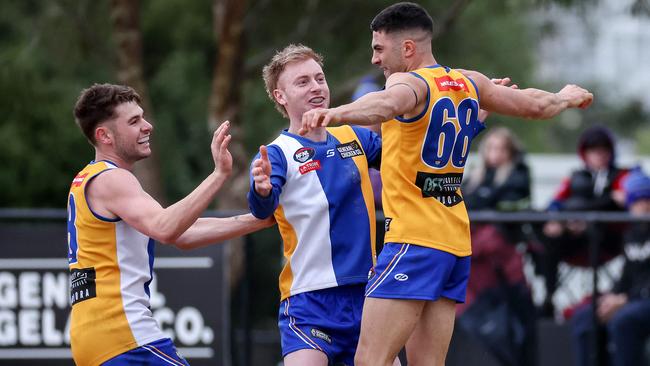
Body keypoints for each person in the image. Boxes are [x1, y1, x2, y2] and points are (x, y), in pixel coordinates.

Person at [299, 3, 593, 365]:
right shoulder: (469, 81)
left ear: (407, 48)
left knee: (369, 360)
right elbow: (533, 105)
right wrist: (564, 97)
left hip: (414, 241)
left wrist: (335, 113)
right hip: (454, 243)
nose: (374, 59)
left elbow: (386, 104)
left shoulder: (409, 82)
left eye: (378, 48)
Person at [68, 83, 272, 365]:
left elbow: (182, 234)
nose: (148, 126)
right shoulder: (112, 179)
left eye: (143, 117)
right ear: (104, 135)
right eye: (134, 121)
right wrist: (219, 174)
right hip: (123, 336)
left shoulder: (91, 179)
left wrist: (257, 220)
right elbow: (166, 228)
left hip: (93, 338)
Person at [247, 44, 389, 366]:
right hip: (310, 301)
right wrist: (262, 189)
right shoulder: (277, 154)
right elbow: (262, 208)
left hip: (368, 295)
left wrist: (463, 127)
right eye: (302, 82)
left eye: (319, 78)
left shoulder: (354, 138)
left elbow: (411, 162)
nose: (316, 87)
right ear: (280, 96)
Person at [458, 127, 536, 366]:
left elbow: (509, 204)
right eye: (491, 148)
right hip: (478, 263)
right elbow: (470, 202)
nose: (496, 154)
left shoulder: (518, 175)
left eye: (501, 149)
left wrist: (486, 201)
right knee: (482, 321)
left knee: (517, 321)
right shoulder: (476, 176)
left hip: (505, 262)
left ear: (511, 152)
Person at [538, 125, 630, 315]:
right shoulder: (575, 178)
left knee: (592, 227)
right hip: (576, 241)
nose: (599, 155)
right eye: (593, 150)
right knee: (549, 235)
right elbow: (554, 204)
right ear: (585, 154)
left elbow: (627, 201)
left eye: (603, 150)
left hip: (608, 241)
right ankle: (548, 296)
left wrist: (591, 212)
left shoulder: (622, 176)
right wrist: (560, 221)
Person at [571, 169, 650, 366]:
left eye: (647, 199)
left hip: (642, 299)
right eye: (638, 200)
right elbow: (628, 275)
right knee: (584, 318)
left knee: (623, 321)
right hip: (633, 297)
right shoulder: (631, 233)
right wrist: (612, 297)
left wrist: (625, 299)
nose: (644, 206)